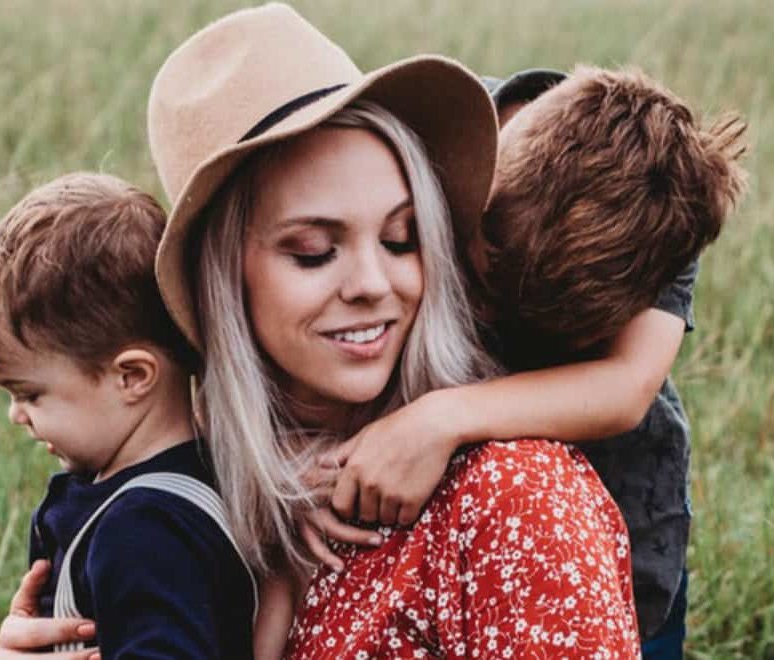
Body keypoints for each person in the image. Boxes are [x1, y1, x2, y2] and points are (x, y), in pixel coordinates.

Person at [0, 5, 638, 658]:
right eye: (314, 252)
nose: (372, 283)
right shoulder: (180, 502)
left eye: (400, 238)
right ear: (222, 284)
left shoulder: (511, 496)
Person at [319, 66, 746, 658]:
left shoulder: (662, 204)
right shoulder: (430, 134)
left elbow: (627, 386)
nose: (485, 311)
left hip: (626, 521)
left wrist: (439, 419)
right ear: (484, 175)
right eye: (486, 276)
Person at [0, 173, 255, 659]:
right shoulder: (202, 481)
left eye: (30, 394)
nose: (16, 415)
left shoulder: (143, 530)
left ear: (132, 376)